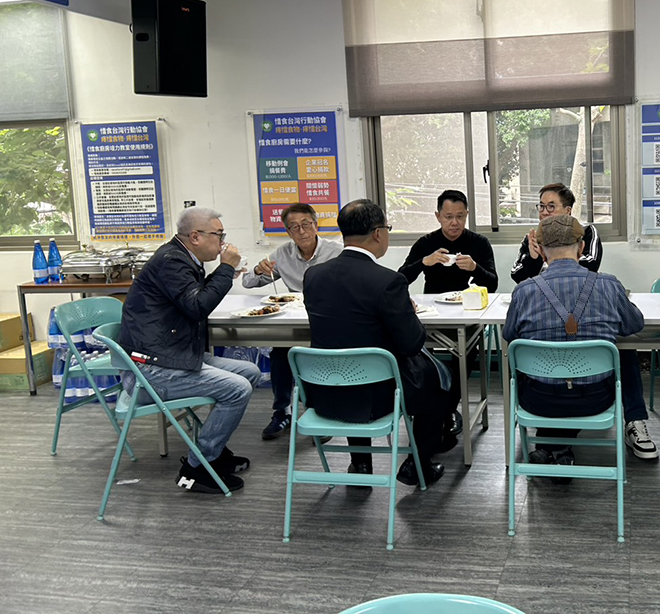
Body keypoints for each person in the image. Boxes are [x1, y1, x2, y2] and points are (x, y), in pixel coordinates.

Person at [302, 199, 459, 486]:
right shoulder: (387, 281)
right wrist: (408, 313)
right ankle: (418, 465)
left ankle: (361, 463)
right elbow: (411, 344)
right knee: (439, 379)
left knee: (350, 363)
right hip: (376, 398)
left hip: (323, 393)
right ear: (378, 233)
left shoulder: (313, 276)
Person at [117, 207, 260, 494]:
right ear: (195, 237)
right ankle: (197, 468)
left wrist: (225, 274)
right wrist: (225, 268)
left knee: (250, 372)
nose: (222, 242)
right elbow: (197, 307)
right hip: (149, 371)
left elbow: (191, 299)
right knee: (237, 389)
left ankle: (213, 452)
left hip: (171, 356)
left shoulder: (183, 258)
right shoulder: (172, 261)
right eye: (219, 235)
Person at [503, 214, 657, 478]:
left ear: (541, 252)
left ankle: (552, 446)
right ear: (582, 247)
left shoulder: (524, 291)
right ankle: (560, 447)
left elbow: (510, 335)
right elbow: (634, 324)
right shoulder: (608, 285)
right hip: (596, 398)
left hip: (538, 400)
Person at [243, 203, 343, 440]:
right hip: (294, 322)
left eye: (306, 224)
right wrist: (258, 269)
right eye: (294, 227)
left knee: (321, 357)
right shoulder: (282, 254)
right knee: (280, 353)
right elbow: (248, 282)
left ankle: (323, 412)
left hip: (328, 321)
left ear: (316, 225)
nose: (301, 231)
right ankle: (282, 411)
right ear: (288, 232)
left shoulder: (336, 252)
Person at [398, 189, 498, 293]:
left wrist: (474, 268)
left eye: (460, 216)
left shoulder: (479, 242)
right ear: (438, 216)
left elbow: (493, 285)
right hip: (432, 300)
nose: (454, 223)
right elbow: (399, 280)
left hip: (465, 299)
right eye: (449, 217)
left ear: (466, 214)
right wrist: (424, 262)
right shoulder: (425, 243)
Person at [510, 183, 602, 283]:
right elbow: (517, 276)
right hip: (540, 291)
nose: (544, 212)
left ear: (568, 210)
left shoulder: (585, 232)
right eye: (542, 206)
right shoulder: (533, 239)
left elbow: (591, 266)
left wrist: (553, 258)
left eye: (551, 206)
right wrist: (534, 258)